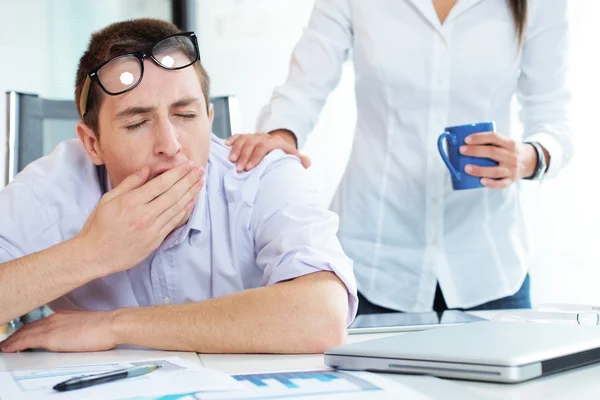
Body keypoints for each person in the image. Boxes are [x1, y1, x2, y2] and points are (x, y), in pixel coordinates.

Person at [0, 18, 357, 354]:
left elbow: (323, 316)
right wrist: (94, 251)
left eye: (186, 115)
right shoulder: (53, 187)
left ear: (209, 117)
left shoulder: (262, 174)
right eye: (138, 122)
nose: (169, 145)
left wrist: (114, 326)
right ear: (92, 143)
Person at [226, 0, 572, 314]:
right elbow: (304, 88)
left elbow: (553, 117)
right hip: (373, 266)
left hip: (489, 267)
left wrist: (529, 158)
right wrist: (280, 136)